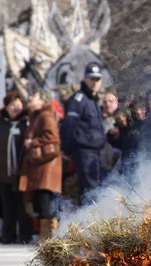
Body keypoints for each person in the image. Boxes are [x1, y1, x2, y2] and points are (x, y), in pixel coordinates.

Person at [0, 91, 32, 244]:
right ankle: (8, 235)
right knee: (7, 205)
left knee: (22, 205)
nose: (15, 108)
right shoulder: (0, 122)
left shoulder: (26, 122)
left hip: (21, 171)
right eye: (12, 105)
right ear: (6, 107)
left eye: (18, 105)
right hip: (3, 170)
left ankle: (25, 236)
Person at [60, 62, 106, 204]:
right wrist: (66, 149)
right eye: (91, 78)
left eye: (97, 79)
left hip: (95, 152)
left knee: (95, 189)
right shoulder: (78, 99)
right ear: (85, 78)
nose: (94, 82)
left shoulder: (92, 100)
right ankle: (91, 223)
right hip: (84, 152)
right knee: (91, 191)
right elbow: (69, 125)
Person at [19, 90, 62, 242]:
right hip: (40, 166)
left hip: (47, 166)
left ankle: (49, 238)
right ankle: (46, 237)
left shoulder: (45, 115)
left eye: (34, 96)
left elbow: (52, 137)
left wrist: (33, 142)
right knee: (41, 202)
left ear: (42, 100)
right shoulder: (36, 114)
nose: (30, 98)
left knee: (45, 202)